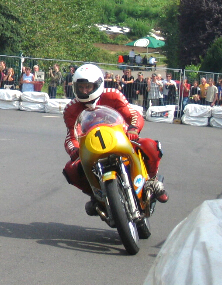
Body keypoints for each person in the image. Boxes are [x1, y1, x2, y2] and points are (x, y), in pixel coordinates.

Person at [62, 64, 168, 216]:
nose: (84, 91)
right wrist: (74, 150)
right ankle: (96, 194)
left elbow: (133, 114)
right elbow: (71, 135)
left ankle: (152, 180)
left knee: (150, 145)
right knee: (71, 169)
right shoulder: (71, 109)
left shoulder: (113, 95)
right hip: (92, 147)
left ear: (98, 84)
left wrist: (133, 129)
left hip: (121, 138)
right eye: (81, 87)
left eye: (88, 86)